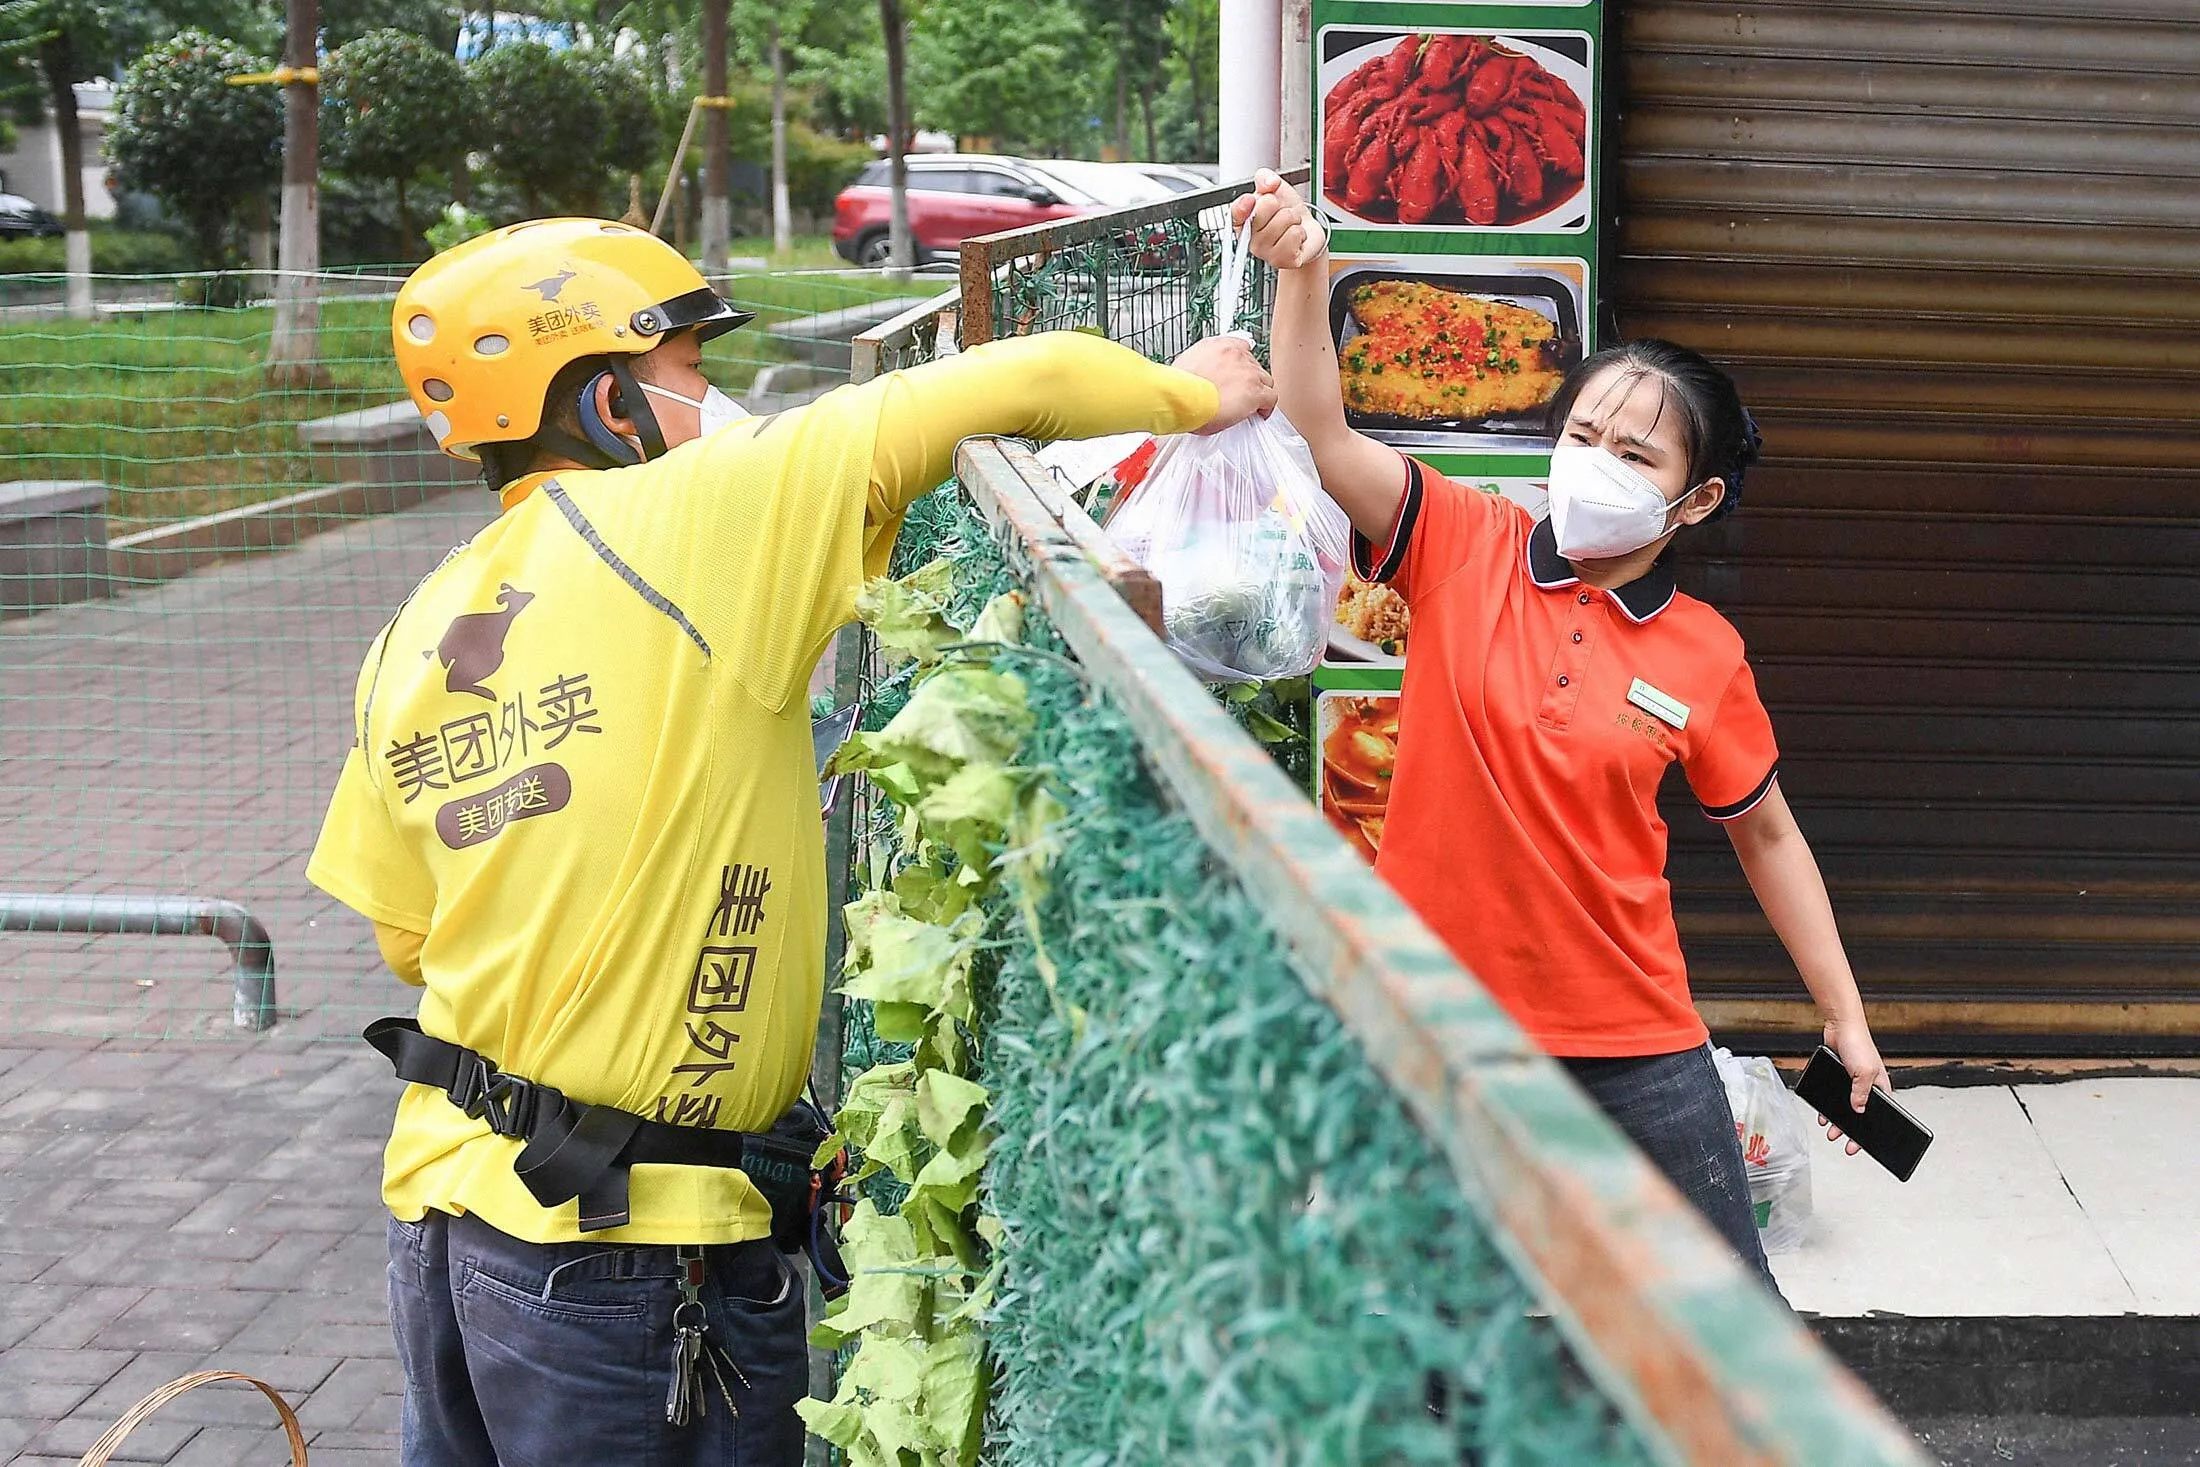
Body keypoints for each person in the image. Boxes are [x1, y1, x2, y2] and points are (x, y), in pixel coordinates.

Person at [306, 217, 1274, 1466]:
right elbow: (1021, 381)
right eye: (691, 372)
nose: (710, 401)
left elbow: (402, 934)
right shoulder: (690, 514)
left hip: (450, 1218)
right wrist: (1203, 390)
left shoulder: (419, 620)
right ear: (609, 403)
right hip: (626, 1252)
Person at [1231, 171, 1889, 1280]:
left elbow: (1767, 835)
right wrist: (1305, 273)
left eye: (1636, 456)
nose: (1595, 465)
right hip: (1435, 1026)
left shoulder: (1704, 652)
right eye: (1583, 433)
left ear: (1697, 501)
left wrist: (1845, 1018)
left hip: (1633, 1039)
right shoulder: (1460, 540)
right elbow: (1317, 425)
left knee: (1722, 1318)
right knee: (1427, 1327)